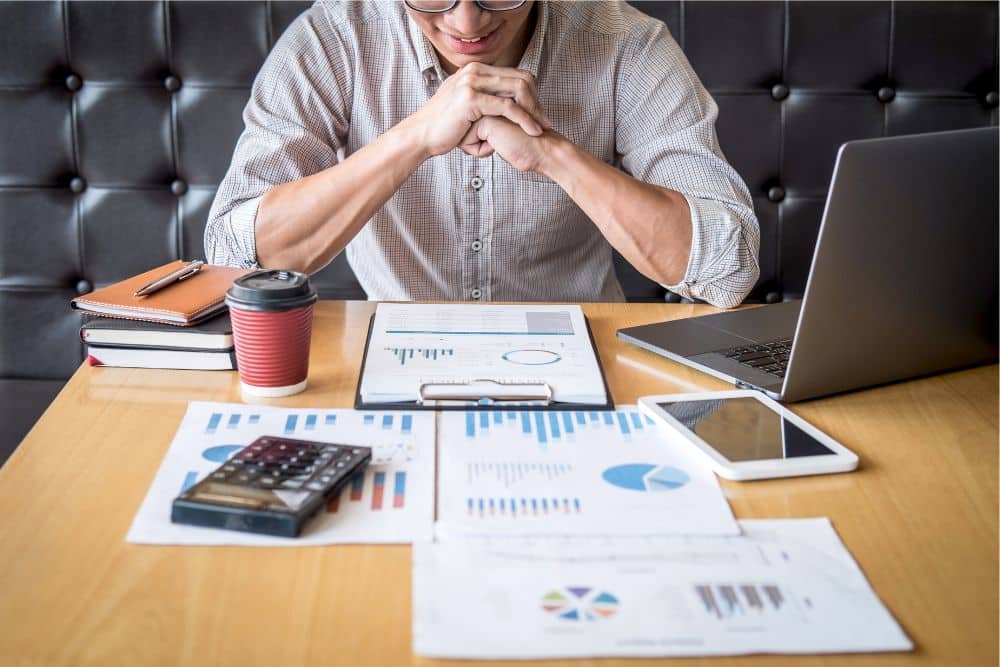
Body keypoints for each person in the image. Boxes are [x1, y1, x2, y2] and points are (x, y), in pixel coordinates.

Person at [205, 0, 759, 308]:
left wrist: (553, 154)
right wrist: (416, 136)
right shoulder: (334, 37)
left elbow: (726, 270)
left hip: (585, 351)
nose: (467, 22)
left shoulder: (626, 43)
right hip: (396, 353)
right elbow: (235, 256)